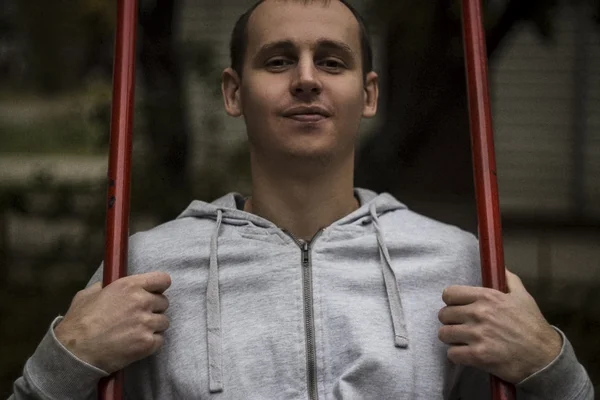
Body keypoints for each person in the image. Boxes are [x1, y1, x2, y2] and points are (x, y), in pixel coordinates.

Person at [11, 0, 594, 399]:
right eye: (279, 59)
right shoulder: (143, 268)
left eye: (332, 61)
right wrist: (66, 358)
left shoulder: (458, 264)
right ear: (234, 92)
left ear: (368, 95)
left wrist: (549, 364)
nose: (307, 79)